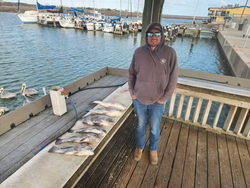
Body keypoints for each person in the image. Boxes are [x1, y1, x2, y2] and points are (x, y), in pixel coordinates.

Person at [128, 22, 178, 165]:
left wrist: (163, 98)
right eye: (150, 34)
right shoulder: (138, 52)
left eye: (157, 34)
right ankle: (140, 147)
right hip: (139, 99)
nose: (153, 37)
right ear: (146, 36)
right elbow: (131, 73)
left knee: (155, 128)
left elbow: (173, 78)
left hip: (158, 101)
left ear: (162, 35)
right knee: (140, 126)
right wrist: (132, 93)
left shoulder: (170, 53)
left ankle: (153, 149)